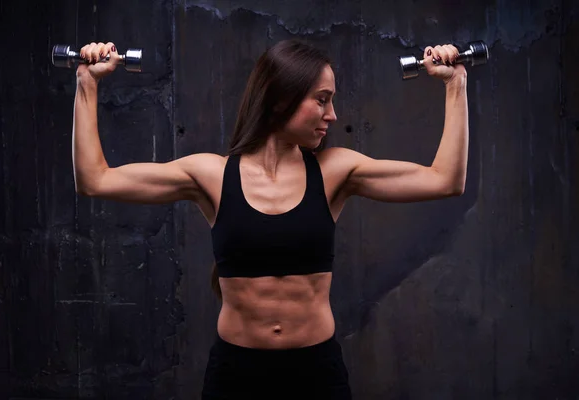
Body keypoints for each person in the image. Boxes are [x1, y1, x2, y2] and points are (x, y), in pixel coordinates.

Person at [73, 38, 468, 399]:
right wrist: (87, 83)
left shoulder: (335, 172)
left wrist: (456, 85)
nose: (332, 115)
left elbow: (444, 180)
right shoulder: (212, 176)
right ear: (281, 99)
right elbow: (96, 179)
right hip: (237, 376)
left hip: (316, 374)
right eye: (322, 99)